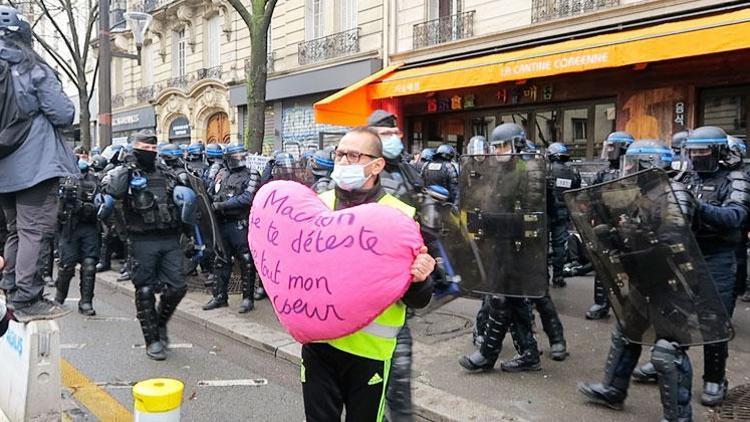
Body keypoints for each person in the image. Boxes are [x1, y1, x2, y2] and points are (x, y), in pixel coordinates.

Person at [301, 127, 434, 422]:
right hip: (319, 347)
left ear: (377, 165)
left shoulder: (400, 216)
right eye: (339, 154)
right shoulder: (316, 206)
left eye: (353, 155)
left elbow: (420, 298)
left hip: (369, 352)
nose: (343, 161)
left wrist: (420, 278)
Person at [577, 139, 708, 421]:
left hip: (673, 282)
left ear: (649, 164)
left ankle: (678, 417)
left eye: (633, 164)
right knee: (626, 332)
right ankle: (613, 389)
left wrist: (636, 232)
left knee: (667, 350)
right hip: (645, 276)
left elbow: (673, 236)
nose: (628, 169)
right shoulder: (641, 193)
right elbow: (630, 229)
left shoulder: (675, 192)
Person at [630, 128, 750, 405]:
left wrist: (696, 205)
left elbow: (734, 217)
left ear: (719, 152)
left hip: (718, 257)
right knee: (675, 315)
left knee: (714, 321)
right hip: (686, 252)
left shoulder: (736, 180)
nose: (696, 156)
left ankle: (715, 379)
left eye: (703, 151)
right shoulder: (687, 176)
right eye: (692, 151)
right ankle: (667, 363)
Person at [0, 6, 78, 322]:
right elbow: (64, 113)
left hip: (3, 170)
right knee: (33, 231)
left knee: (15, 230)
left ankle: (10, 287)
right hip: (35, 165)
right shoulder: (33, 69)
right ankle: (27, 297)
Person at [100, 129, 196, 360]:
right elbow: (111, 191)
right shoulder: (125, 173)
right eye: (145, 150)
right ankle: (152, 340)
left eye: (153, 149)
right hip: (141, 240)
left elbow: (185, 201)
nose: (150, 153)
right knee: (144, 290)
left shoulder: (166, 172)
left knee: (177, 287)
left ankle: (160, 323)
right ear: (136, 150)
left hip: (169, 238)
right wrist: (127, 166)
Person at [459, 123, 545, 373]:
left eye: (503, 146)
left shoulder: (529, 170)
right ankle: (529, 354)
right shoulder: (497, 170)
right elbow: (487, 200)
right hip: (498, 243)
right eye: (495, 147)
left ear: (517, 144)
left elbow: (532, 216)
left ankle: (487, 355)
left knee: (500, 298)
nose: (498, 152)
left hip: (519, 246)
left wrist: (491, 222)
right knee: (514, 301)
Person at [367, 110, 426, 420]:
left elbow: (422, 218)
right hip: (370, 288)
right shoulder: (362, 174)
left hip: (402, 288)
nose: (390, 138)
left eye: (393, 133)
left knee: (398, 384)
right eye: (382, 134)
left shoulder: (408, 170)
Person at [203, 143, 261, 313]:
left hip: (240, 224)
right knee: (221, 259)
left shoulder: (252, 174)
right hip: (222, 224)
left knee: (246, 261)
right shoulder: (222, 173)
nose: (239, 159)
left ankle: (247, 299)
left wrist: (222, 205)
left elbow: (247, 198)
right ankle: (220, 296)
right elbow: (212, 192)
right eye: (236, 156)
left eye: (241, 156)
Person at [585, 131, 634, 320]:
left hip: (628, 226)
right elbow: (590, 195)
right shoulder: (604, 172)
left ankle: (633, 306)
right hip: (606, 225)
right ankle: (601, 303)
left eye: (613, 147)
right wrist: (590, 215)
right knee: (603, 264)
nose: (610, 150)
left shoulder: (633, 169)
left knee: (633, 266)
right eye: (609, 147)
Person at [53, 160, 102, 315]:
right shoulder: (60, 179)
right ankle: (59, 298)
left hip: (88, 227)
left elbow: (103, 205)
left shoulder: (94, 181)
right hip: (68, 228)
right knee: (67, 266)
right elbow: (53, 205)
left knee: (89, 265)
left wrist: (88, 208)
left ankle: (86, 302)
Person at [546, 142, 581, 287]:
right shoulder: (573, 171)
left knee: (542, 246)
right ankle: (558, 276)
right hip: (562, 212)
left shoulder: (546, 169)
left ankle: (544, 277)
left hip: (547, 212)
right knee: (559, 245)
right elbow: (576, 192)